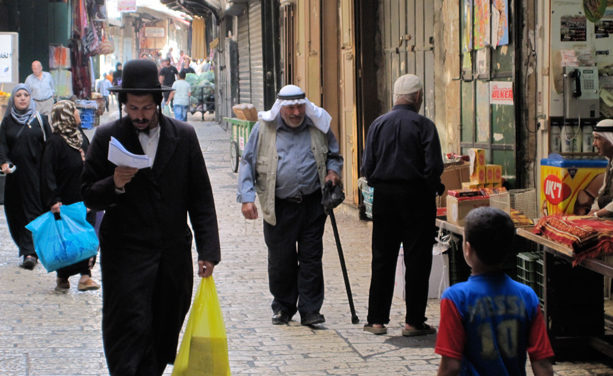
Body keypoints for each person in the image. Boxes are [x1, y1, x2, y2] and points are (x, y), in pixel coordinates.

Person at [81, 59, 221, 375]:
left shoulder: (183, 136)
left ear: (158, 103)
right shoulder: (106, 137)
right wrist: (114, 183)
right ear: (124, 105)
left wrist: (208, 251)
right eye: (133, 108)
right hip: (125, 257)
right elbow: (87, 192)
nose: (140, 115)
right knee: (127, 331)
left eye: (145, 108)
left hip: (172, 257)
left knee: (163, 330)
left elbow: (200, 197)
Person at [237, 84, 343, 326]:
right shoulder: (264, 129)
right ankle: (283, 307)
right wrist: (246, 198)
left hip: (313, 204)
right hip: (279, 206)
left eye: (300, 107)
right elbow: (248, 162)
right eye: (291, 108)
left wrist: (333, 172)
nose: (296, 112)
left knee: (311, 258)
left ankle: (310, 310)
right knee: (281, 259)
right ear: (281, 108)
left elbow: (334, 156)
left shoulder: (318, 125)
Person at [361, 74, 444, 336]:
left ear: (395, 97)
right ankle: (413, 322)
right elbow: (434, 168)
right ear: (418, 97)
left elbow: (368, 168)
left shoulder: (378, 124)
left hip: (384, 199)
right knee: (417, 259)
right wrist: (432, 188)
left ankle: (376, 320)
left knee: (382, 258)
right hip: (417, 198)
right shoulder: (425, 126)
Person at [435, 207, 554, 376]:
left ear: (467, 249)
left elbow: (450, 366)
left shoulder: (455, 298)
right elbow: (542, 364)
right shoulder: (527, 296)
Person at [42, 100, 99, 292]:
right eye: (74, 110)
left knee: (86, 234)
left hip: (85, 196)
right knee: (66, 240)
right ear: (65, 115)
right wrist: (53, 200)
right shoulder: (55, 142)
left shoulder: (81, 137)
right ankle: (63, 276)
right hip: (64, 200)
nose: (77, 113)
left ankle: (85, 275)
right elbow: (47, 172)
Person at [0, 84, 51, 269]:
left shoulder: (40, 120)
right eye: (18, 95)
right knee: (15, 213)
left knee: (34, 211)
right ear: (13, 99)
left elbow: (49, 146)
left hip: (36, 175)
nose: (22, 98)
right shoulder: (7, 122)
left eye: (26, 95)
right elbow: (2, 145)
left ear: (30, 98)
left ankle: (30, 252)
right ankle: (25, 247)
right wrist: (4, 162)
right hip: (15, 176)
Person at [590, 119, 613, 218]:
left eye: (597, 138)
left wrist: (597, 215)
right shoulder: (610, 163)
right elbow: (602, 192)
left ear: (610, 140)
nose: (594, 144)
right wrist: (594, 210)